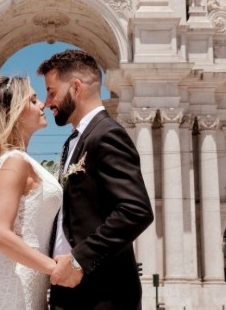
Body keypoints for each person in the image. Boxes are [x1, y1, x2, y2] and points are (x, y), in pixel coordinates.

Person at [39, 49, 154, 309]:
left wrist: (79, 260)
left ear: (76, 87)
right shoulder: (73, 141)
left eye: (52, 91)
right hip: (70, 289)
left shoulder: (107, 134)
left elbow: (136, 210)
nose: (47, 102)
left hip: (102, 293)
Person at [0, 76, 64, 310]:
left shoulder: (22, 160)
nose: (42, 104)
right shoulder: (14, 161)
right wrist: (54, 268)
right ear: (15, 113)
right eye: (32, 100)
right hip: (9, 288)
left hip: (25, 284)